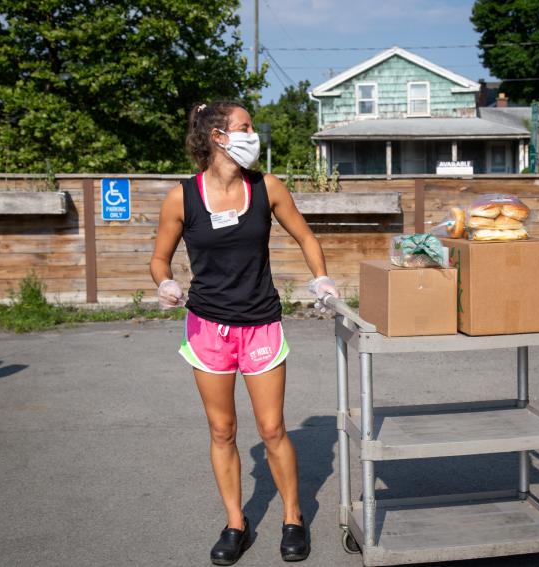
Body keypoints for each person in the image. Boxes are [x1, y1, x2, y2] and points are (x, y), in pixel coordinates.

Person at [150, 100, 338, 565]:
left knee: (272, 428)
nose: (253, 135)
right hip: (208, 328)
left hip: (260, 323)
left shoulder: (267, 187)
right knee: (222, 430)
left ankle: (294, 517)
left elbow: (306, 236)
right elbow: (159, 258)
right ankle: (236, 522)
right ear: (218, 136)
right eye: (245, 127)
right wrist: (166, 282)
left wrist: (321, 278)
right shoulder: (182, 196)